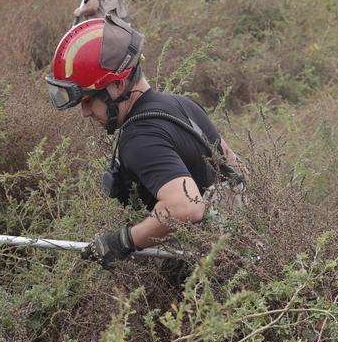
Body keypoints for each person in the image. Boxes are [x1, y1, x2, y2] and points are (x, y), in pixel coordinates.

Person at [45, 16, 244, 266]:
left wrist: (123, 241)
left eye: (88, 100)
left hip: (213, 271)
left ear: (117, 85)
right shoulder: (182, 103)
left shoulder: (139, 139)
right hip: (240, 248)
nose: (85, 112)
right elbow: (236, 166)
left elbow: (187, 208)